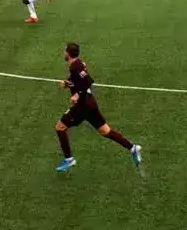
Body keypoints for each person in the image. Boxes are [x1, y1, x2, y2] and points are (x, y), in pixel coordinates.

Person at [54, 41, 141, 172]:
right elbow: (79, 80)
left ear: (68, 53)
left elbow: (88, 81)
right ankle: (132, 148)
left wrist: (77, 95)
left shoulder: (75, 67)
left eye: (64, 50)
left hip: (82, 106)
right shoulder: (78, 64)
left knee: (60, 127)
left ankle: (69, 159)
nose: (63, 53)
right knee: (105, 131)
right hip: (90, 103)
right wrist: (67, 84)